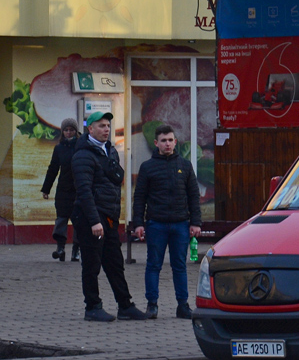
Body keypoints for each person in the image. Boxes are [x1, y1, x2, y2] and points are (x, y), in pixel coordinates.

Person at [71, 111, 148, 322]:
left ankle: (125, 305)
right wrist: (95, 221)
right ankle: (92, 307)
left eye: (108, 126)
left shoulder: (110, 151)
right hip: (91, 218)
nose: (106, 129)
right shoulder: (82, 155)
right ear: (90, 129)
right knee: (92, 264)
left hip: (109, 217)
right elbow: (84, 190)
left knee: (115, 263)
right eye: (101, 126)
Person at [132, 124, 202, 319]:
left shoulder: (185, 166)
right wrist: (138, 223)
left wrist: (195, 222)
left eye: (170, 140)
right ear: (156, 143)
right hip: (156, 224)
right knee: (153, 265)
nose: (168, 143)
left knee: (179, 265)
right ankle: (152, 305)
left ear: (175, 142)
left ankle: (183, 305)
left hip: (180, 224)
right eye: (163, 140)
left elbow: (193, 196)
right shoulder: (147, 167)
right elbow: (140, 197)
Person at [41, 118, 80, 262]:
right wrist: (46, 189)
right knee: (61, 220)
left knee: (78, 220)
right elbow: (53, 169)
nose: (69, 133)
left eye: (71, 130)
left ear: (76, 131)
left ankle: (76, 250)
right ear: (62, 132)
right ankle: (60, 248)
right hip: (63, 189)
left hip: (78, 189)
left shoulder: (81, 146)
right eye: (66, 130)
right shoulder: (59, 148)